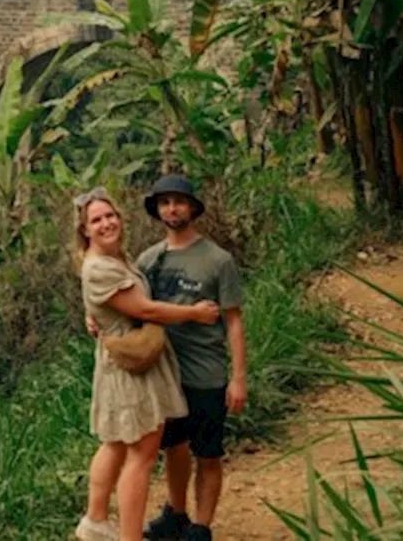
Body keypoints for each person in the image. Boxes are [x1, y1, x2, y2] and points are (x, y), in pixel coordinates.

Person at [75, 188, 220, 541]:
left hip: (127, 360)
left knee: (116, 442)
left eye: (110, 216)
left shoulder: (116, 259)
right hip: (131, 366)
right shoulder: (100, 268)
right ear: (85, 231)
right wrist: (195, 313)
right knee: (141, 453)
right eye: (96, 220)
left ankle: (95, 521)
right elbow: (146, 310)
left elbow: (116, 303)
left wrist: (93, 314)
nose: (106, 223)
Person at [137, 175, 246, 541]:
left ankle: (201, 526)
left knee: (209, 452)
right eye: (165, 202)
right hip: (164, 373)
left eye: (179, 201)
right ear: (157, 210)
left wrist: (239, 377)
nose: (172, 208)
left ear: (193, 208)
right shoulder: (148, 260)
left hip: (207, 373)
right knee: (173, 447)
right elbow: (132, 307)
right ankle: (177, 513)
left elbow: (233, 321)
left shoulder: (218, 260)